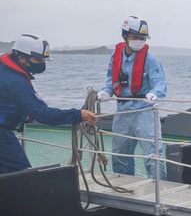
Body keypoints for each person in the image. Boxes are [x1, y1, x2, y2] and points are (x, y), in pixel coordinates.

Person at [0, 34, 98, 173]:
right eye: (37, 59)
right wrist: (77, 114)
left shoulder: (4, 70)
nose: (41, 63)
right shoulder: (15, 82)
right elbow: (42, 114)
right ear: (22, 58)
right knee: (21, 177)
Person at [97, 16, 167, 179]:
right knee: (121, 154)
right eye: (135, 37)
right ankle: (123, 186)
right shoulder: (116, 56)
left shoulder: (150, 60)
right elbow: (111, 79)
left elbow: (160, 84)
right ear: (125, 36)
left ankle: (159, 188)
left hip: (144, 111)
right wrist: (106, 91)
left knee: (153, 153)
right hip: (122, 111)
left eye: (142, 38)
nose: (138, 41)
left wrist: (154, 93)